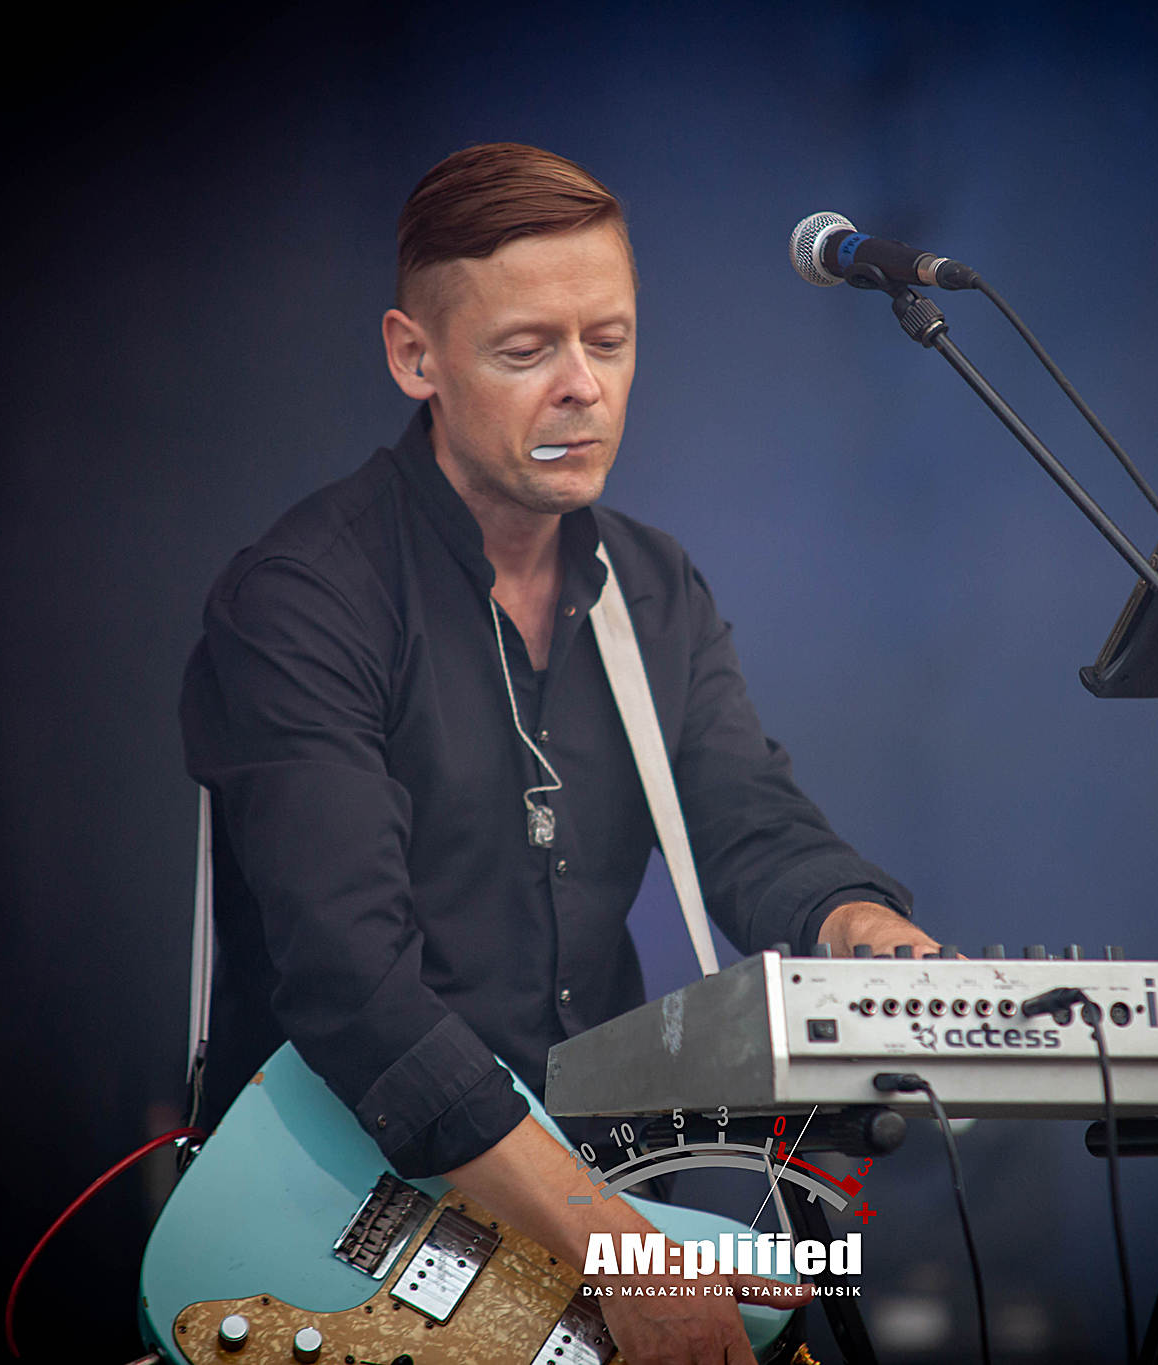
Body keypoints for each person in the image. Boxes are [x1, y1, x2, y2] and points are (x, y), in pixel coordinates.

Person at [180, 143, 940, 1364]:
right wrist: (619, 1250)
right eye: (526, 349)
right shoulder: (305, 598)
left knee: (823, 1291)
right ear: (414, 356)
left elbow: (745, 818)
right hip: (346, 1233)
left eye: (609, 340)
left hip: (593, 1216)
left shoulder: (652, 587)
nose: (581, 387)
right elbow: (353, 983)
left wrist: (857, 924)